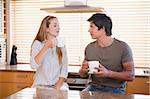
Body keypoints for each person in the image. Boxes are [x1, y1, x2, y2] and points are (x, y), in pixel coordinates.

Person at [79, 13, 135, 94]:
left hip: (115, 89)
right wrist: (83, 70)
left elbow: (131, 75)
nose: (89, 30)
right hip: (93, 87)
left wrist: (108, 73)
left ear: (102, 29)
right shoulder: (89, 48)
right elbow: (82, 74)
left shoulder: (123, 47)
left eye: (92, 27)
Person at [30, 15, 68, 91]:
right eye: (55, 25)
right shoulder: (37, 44)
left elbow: (64, 69)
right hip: (40, 86)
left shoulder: (61, 44)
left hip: (58, 86)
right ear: (47, 29)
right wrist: (46, 47)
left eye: (58, 25)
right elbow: (34, 65)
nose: (58, 28)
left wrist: (57, 86)